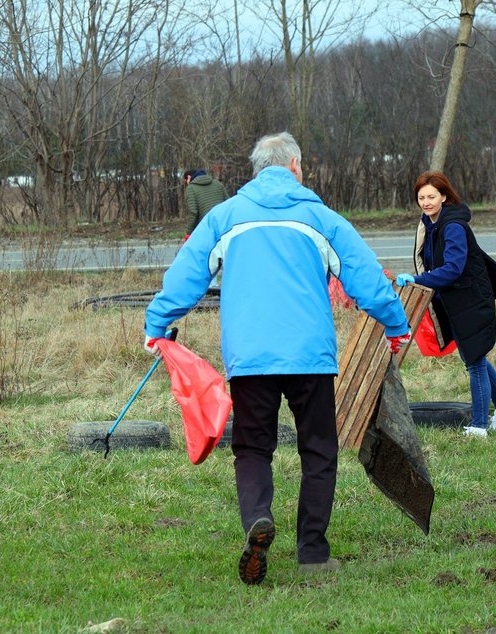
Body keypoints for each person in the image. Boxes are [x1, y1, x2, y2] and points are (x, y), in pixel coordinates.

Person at [144, 132, 412, 585]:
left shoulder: (225, 217)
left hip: (251, 358)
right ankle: (312, 552)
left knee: (252, 448)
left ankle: (257, 521)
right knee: (319, 450)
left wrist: (157, 325)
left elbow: (187, 273)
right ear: (294, 167)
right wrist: (396, 325)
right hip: (310, 357)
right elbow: (364, 276)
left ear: (257, 169)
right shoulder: (321, 218)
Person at [394, 171, 496, 438]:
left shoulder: (453, 226)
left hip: (471, 297)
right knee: (474, 355)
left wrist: (418, 279)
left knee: (473, 361)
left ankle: (478, 426)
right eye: (421, 197)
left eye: (431, 196)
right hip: (455, 299)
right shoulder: (430, 223)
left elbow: (452, 269)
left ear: (444, 196)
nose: (426, 202)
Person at [184, 169, 228, 235]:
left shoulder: (191, 188)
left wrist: (189, 232)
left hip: (205, 227)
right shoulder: (218, 183)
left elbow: (193, 212)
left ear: (189, 178)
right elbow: (228, 202)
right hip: (223, 223)